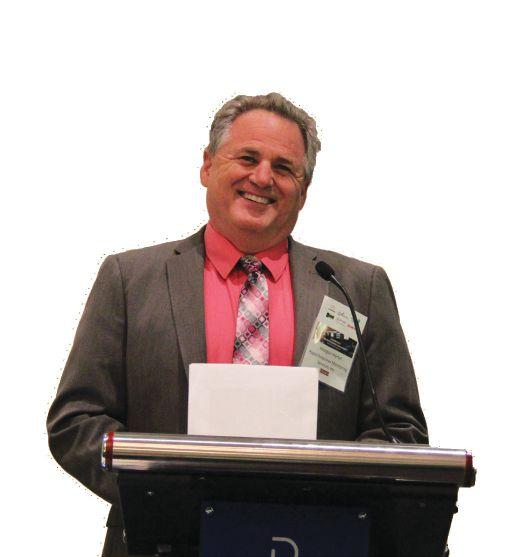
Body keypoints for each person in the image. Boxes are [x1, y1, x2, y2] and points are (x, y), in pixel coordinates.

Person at [47, 92, 428, 556]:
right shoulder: (130, 280)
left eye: (284, 168)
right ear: (207, 166)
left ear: (304, 190)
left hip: (313, 541)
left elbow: (399, 433)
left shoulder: (354, 289)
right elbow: (76, 422)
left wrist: (330, 499)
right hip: (159, 542)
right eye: (247, 158)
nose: (262, 177)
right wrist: (160, 493)